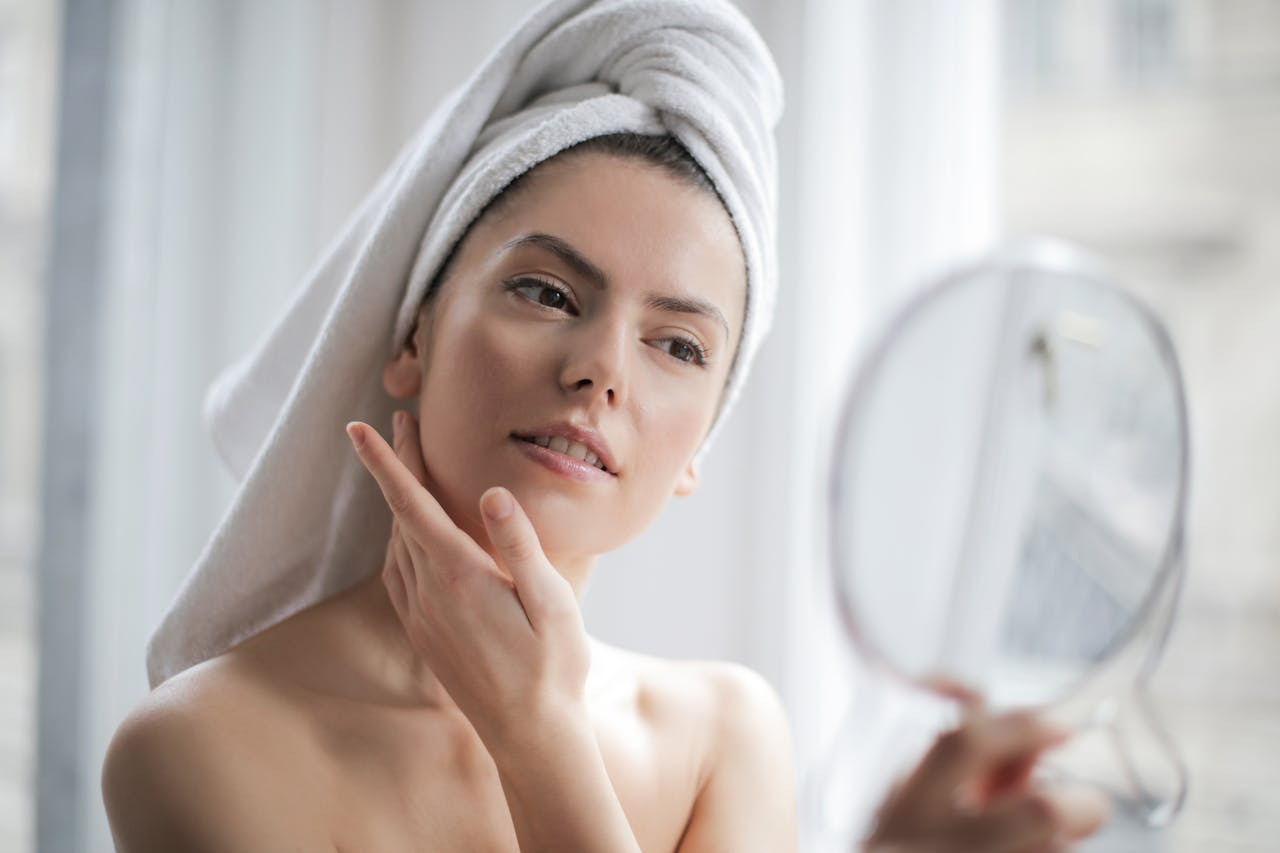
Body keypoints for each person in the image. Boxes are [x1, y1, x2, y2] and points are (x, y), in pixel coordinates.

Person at [101, 2, 1108, 850]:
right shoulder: (201, 744)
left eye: (677, 346)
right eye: (544, 291)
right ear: (410, 336)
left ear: (697, 448)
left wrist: (539, 735)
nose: (597, 371)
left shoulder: (725, 737)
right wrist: (536, 736)